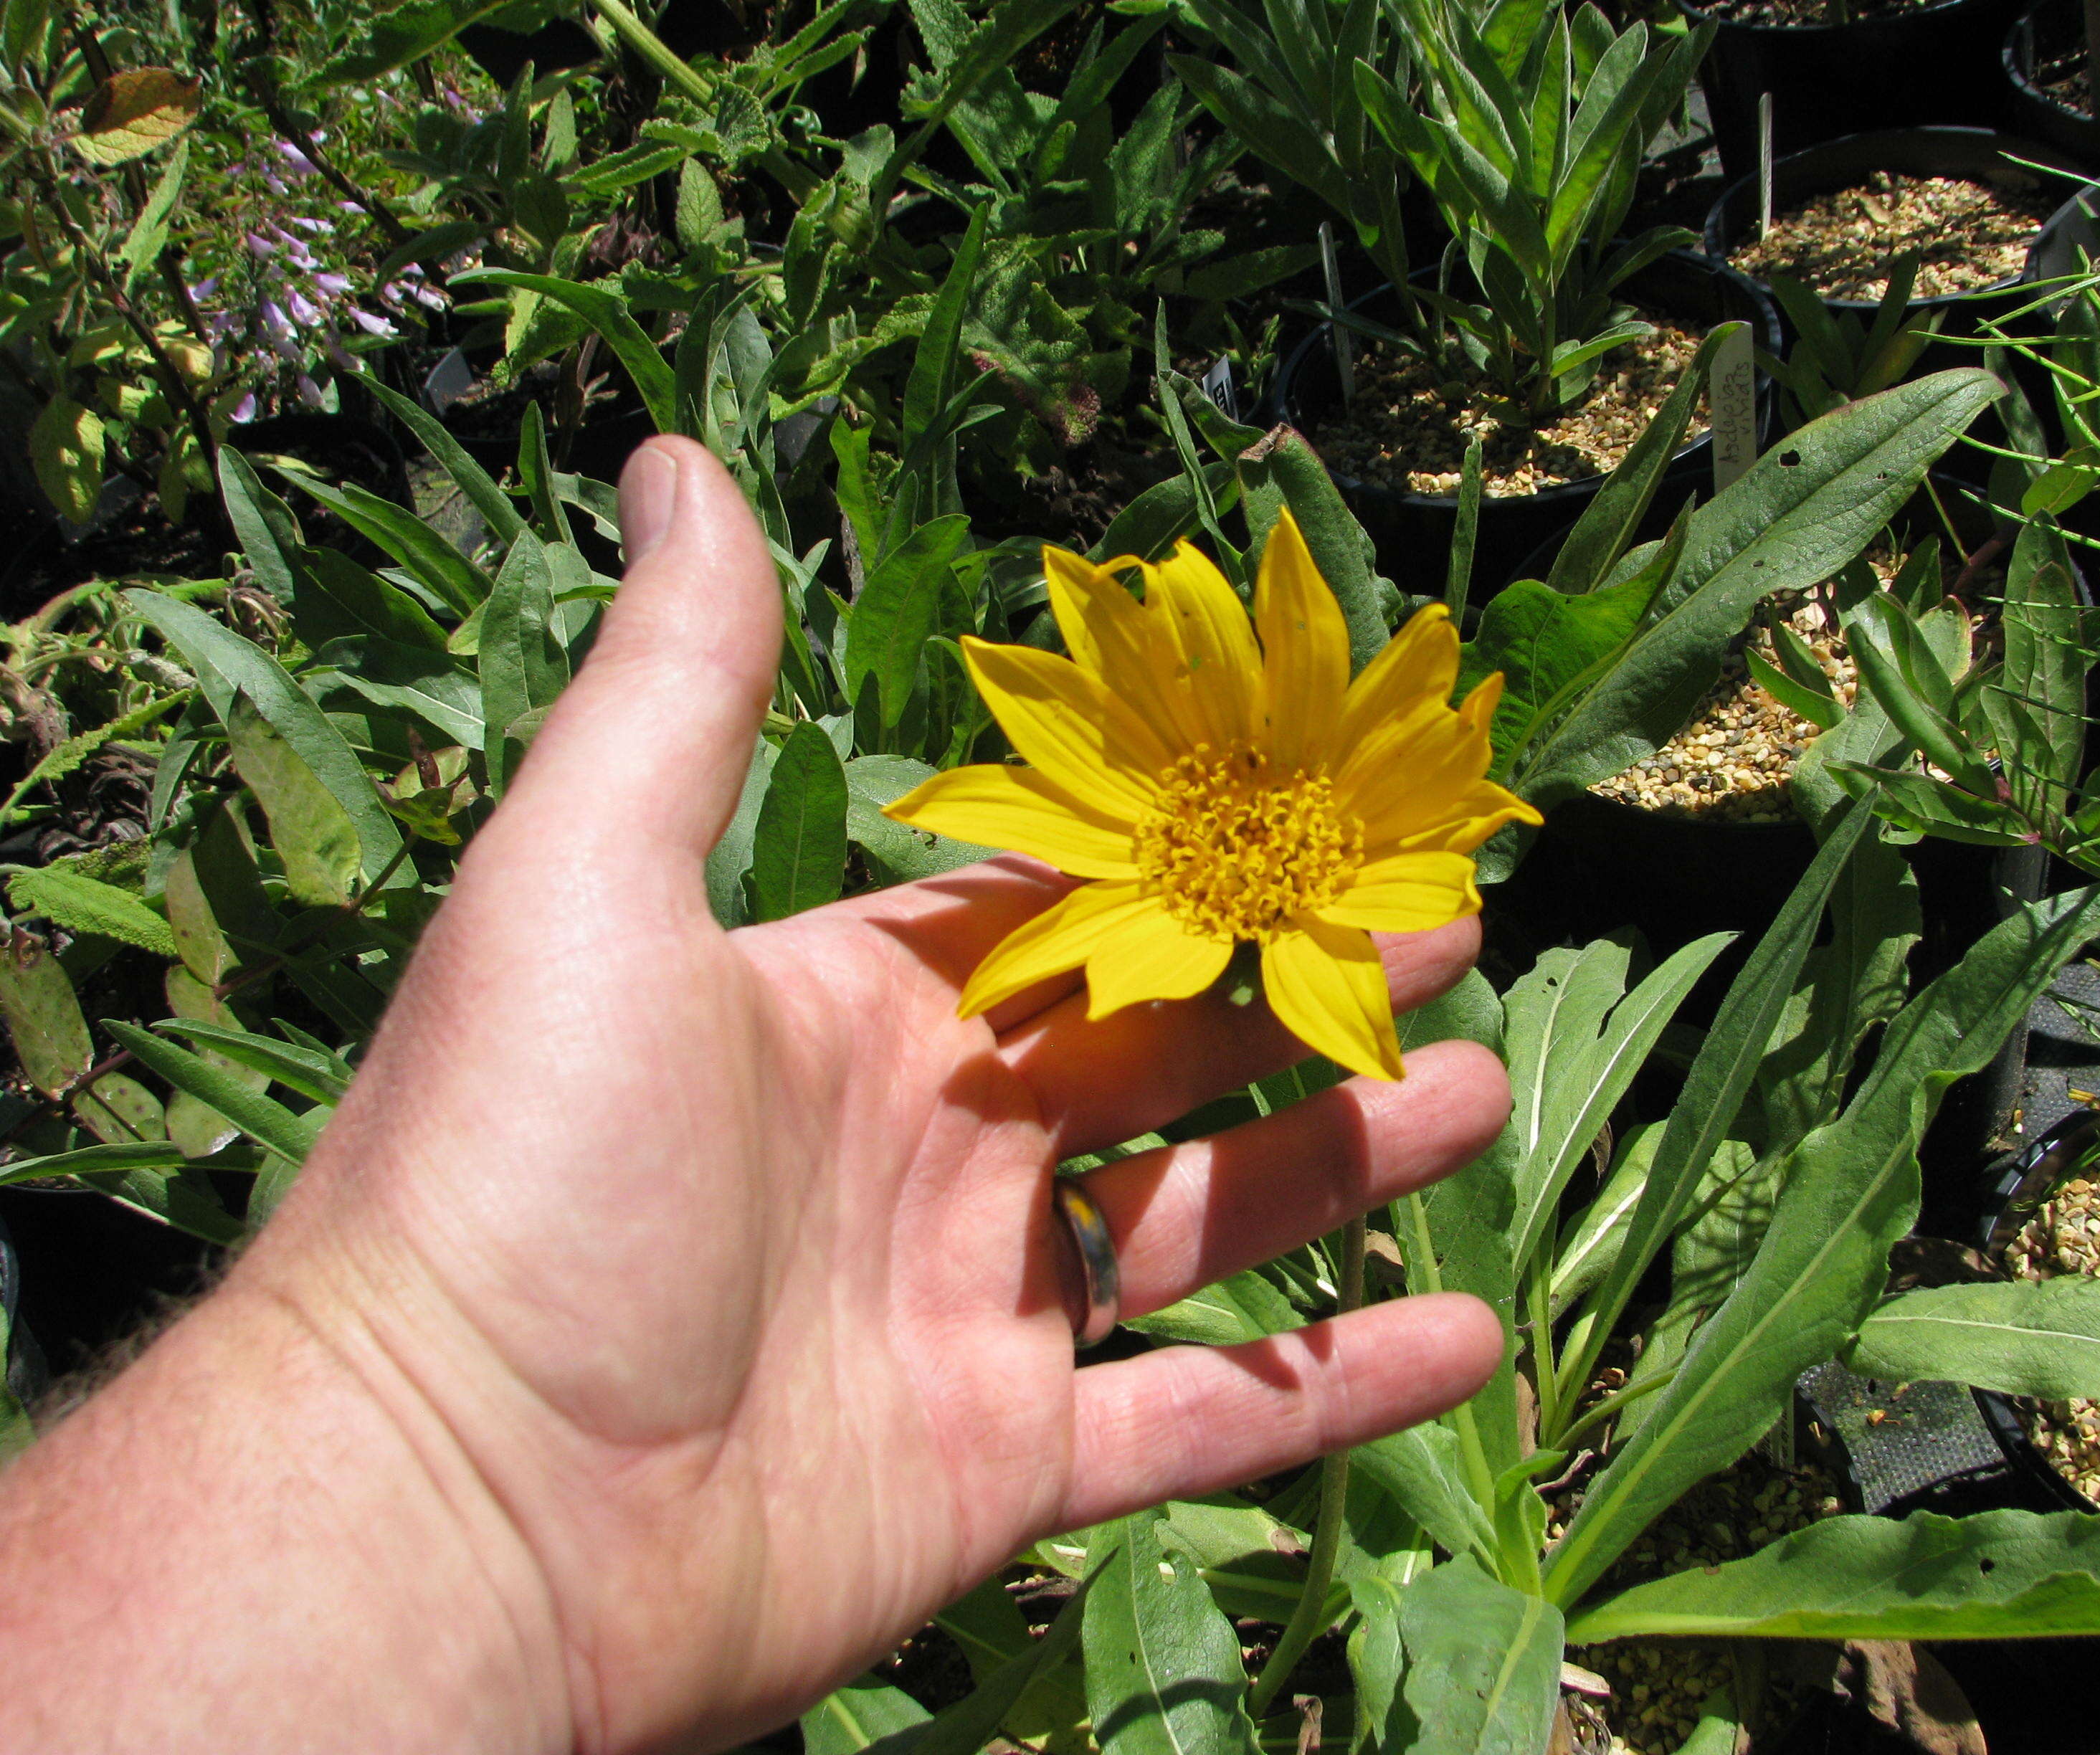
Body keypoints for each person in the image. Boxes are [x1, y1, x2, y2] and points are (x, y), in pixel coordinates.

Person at [0, 439, 1512, 1755]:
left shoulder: (1328, 869)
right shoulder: (1132, 901)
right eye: (1228, 830)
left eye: (1257, 831)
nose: (1245, 841)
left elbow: (1438, 776)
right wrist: (442, 1426)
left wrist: (438, 1438)